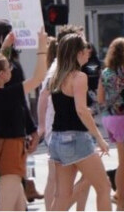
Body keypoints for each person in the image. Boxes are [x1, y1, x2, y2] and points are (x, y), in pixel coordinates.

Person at [48, 33, 112, 211]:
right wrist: (99, 138)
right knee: (104, 186)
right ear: (77, 52)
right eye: (85, 48)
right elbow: (81, 110)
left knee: (62, 195)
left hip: (57, 139)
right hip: (76, 138)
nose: (88, 51)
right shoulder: (79, 77)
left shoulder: (56, 77)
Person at [0, 29, 47, 211]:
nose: (11, 70)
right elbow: (38, 78)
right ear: (1, 75)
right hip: (10, 151)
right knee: (6, 206)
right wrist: (42, 47)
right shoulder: (7, 95)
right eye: (8, 69)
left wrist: (5, 46)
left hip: (2, 148)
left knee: (18, 206)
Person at [98, 37, 124, 211]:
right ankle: (121, 200)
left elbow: (100, 98)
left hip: (108, 118)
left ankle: (121, 198)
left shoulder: (105, 72)